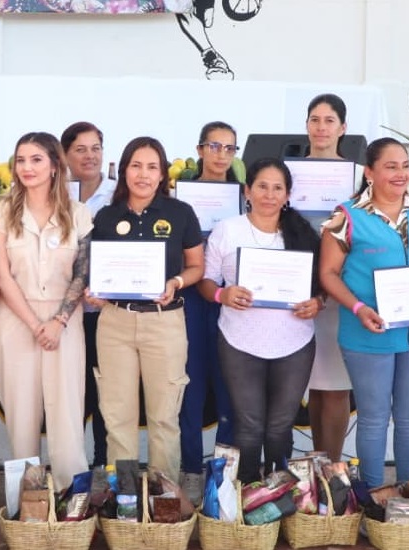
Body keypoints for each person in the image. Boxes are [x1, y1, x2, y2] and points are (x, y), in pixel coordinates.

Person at [317, 137, 409, 487]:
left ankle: (408, 496)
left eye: (404, 166)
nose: (400, 174)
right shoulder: (346, 216)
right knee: (373, 419)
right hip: (368, 333)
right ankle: (372, 497)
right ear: (370, 172)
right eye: (390, 166)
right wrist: (358, 308)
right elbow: (327, 274)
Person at [197, 158, 324, 483]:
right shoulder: (228, 230)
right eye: (262, 186)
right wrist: (221, 296)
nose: (269, 194)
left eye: (277, 188)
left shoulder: (302, 234)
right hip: (239, 342)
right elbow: (206, 279)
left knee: (280, 426)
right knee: (249, 425)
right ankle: (250, 498)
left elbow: (323, 284)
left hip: (294, 343)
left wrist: (318, 303)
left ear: (288, 194)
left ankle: (280, 498)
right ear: (247, 191)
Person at [85, 136, 203, 477]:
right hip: (115, 324)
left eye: (152, 167)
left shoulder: (180, 213)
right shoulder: (106, 216)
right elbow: (98, 270)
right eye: (136, 165)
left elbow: (196, 266)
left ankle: (163, 495)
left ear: (162, 173)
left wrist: (176, 283)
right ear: (124, 171)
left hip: (164, 323)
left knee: (164, 417)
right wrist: (97, 292)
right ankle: (125, 498)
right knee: (117, 416)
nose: (143, 174)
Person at [0, 132, 93, 490]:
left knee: (66, 415)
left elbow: (82, 273)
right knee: (21, 417)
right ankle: (24, 505)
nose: (27, 167)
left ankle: (71, 500)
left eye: (36, 159)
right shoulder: (0, 214)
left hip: (65, 323)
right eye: (21, 160)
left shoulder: (78, 214)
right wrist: (36, 325)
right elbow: (2, 276)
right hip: (15, 321)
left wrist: (58, 321)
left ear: (54, 166)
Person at [177, 121, 238, 501]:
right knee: (192, 388)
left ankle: (224, 473)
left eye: (229, 148)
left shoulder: (246, 197)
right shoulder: (179, 199)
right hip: (191, 303)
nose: (221, 154)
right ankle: (189, 471)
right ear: (200, 150)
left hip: (231, 301)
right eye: (214, 146)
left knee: (231, 390)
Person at [302, 93, 357, 462]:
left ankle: (331, 470)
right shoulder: (287, 173)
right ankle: (315, 467)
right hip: (298, 295)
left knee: (335, 387)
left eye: (329, 120)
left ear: (343, 128)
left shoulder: (357, 179)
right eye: (315, 119)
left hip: (340, 292)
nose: (321, 127)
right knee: (311, 387)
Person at [61, 121, 117, 468]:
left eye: (95, 147)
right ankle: (71, 466)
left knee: (103, 394)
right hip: (62, 312)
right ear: (65, 155)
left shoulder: (118, 193)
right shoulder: (52, 194)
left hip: (104, 311)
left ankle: (101, 466)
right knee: (69, 392)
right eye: (80, 149)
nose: (90, 155)